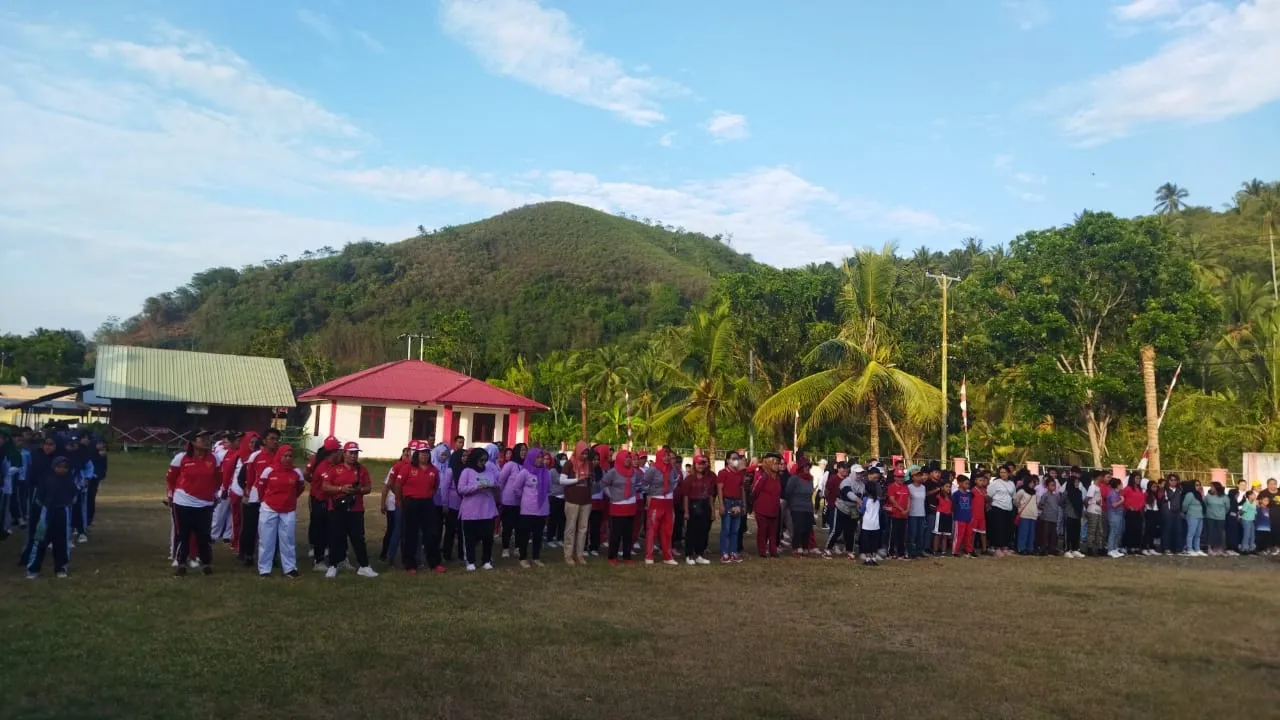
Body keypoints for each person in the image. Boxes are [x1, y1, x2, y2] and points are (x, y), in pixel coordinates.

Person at [320, 442, 378, 578]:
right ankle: (333, 565)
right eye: (351, 453)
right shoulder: (334, 469)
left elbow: (368, 487)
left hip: (355, 509)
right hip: (336, 508)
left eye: (356, 453)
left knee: (358, 538)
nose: (353, 456)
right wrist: (341, 489)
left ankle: (364, 566)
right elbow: (325, 486)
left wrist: (358, 490)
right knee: (335, 537)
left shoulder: (361, 470)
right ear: (344, 454)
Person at [168, 431, 220, 577]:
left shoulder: (214, 459)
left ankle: (206, 564)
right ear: (192, 441)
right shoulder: (181, 458)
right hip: (183, 502)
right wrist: (173, 495)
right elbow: (171, 478)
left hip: (205, 503)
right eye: (202, 438)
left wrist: (212, 494)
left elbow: (218, 479)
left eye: (207, 438)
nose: (206, 441)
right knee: (183, 535)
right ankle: (181, 564)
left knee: (203, 535)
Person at [254, 444, 305, 578]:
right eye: (285, 456)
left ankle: (290, 568)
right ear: (279, 456)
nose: (288, 459)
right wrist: (266, 501)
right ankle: (264, 569)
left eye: (290, 456)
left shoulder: (297, 472)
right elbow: (261, 488)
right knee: (266, 540)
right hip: (269, 508)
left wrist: (289, 500)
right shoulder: (269, 470)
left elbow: (300, 488)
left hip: (288, 510)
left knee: (288, 539)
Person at [24, 455, 77, 579]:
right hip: (47, 512)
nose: (61, 469)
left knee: (62, 541)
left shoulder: (69, 482)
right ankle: (33, 569)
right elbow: (39, 499)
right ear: (54, 467)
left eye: (65, 467)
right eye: (59, 467)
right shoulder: (47, 480)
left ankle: (61, 567)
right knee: (40, 540)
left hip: (63, 512)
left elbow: (73, 496)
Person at [236, 428, 281, 566]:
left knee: (273, 528)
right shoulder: (255, 456)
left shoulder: (281, 457)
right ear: (264, 440)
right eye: (272, 438)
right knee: (250, 526)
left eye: (276, 439)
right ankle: (247, 554)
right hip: (255, 497)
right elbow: (245, 476)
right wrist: (247, 490)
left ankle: (272, 556)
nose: (275, 441)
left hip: (273, 498)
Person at [396, 444, 443, 575]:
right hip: (411, 503)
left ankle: (435, 563)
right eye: (422, 453)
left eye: (427, 453)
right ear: (417, 454)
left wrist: (428, 495)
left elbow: (436, 485)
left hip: (427, 503)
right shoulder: (408, 468)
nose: (425, 455)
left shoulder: (433, 470)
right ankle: (410, 564)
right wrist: (400, 501)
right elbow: (398, 485)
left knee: (432, 534)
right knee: (410, 534)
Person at [457, 445, 500, 571]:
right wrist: (477, 487)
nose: (483, 463)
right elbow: (461, 489)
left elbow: (497, 484)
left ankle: (486, 560)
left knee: (488, 537)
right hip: (471, 511)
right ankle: (470, 561)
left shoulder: (489, 471)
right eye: (481, 460)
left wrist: (493, 487)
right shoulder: (467, 472)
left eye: (485, 460)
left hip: (487, 510)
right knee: (470, 538)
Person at [304, 436, 340, 571]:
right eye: (338, 450)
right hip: (319, 499)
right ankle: (318, 558)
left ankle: (332, 554)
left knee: (330, 528)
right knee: (319, 527)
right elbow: (307, 474)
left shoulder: (334, 464)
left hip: (329, 500)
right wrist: (315, 483)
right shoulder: (321, 465)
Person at [511, 448, 551, 568]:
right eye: (537, 457)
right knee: (525, 535)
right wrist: (525, 498)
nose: (540, 460)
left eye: (541, 457)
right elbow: (516, 488)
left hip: (542, 509)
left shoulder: (546, 472)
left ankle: (536, 557)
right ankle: (523, 557)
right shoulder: (525, 472)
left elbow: (549, 489)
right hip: (528, 509)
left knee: (538, 535)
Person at [600, 449, 641, 565]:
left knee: (628, 533)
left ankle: (627, 556)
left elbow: (639, 483)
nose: (628, 460)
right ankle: (612, 556)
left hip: (630, 506)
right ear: (620, 459)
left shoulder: (634, 473)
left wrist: (634, 492)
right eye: (626, 457)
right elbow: (603, 484)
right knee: (616, 533)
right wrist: (611, 495)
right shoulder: (613, 472)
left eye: (629, 457)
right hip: (617, 506)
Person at [643, 448, 680, 565]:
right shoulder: (652, 470)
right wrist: (652, 493)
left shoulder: (672, 469)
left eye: (668, 456)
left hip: (668, 502)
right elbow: (644, 484)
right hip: (656, 501)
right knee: (652, 529)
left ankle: (667, 556)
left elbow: (674, 481)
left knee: (667, 530)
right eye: (664, 456)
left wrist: (670, 490)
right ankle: (649, 555)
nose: (666, 458)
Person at [380, 445, 414, 566]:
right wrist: (383, 503)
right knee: (393, 529)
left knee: (407, 530)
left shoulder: (416, 467)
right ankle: (387, 554)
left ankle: (405, 556)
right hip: (395, 503)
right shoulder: (397, 467)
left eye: (409, 453)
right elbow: (388, 486)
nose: (408, 455)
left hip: (408, 503)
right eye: (406, 453)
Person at [560, 442, 593, 565]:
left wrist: (588, 479)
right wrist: (577, 479)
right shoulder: (569, 464)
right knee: (570, 528)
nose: (584, 456)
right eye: (582, 453)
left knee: (583, 529)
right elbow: (562, 480)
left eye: (586, 453)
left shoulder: (589, 465)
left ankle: (579, 554)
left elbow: (592, 480)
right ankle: (568, 555)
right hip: (572, 500)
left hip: (586, 501)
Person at [682, 453, 716, 565]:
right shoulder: (689, 479)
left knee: (703, 531)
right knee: (692, 531)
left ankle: (699, 554)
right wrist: (686, 511)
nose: (701, 466)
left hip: (705, 504)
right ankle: (689, 554)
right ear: (694, 465)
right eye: (698, 464)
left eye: (702, 464)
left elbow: (710, 495)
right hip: (693, 505)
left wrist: (712, 510)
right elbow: (686, 496)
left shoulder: (708, 479)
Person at [750, 453, 784, 559]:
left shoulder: (778, 477)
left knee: (773, 531)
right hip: (762, 508)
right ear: (769, 463)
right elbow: (754, 490)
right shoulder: (763, 475)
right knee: (763, 531)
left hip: (774, 508)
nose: (777, 466)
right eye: (775, 463)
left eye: (778, 464)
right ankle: (762, 550)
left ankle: (773, 550)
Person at [824, 463, 860, 559]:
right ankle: (828, 549)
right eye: (857, 473)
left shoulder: (861, 484)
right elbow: (847, 493)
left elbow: (862, 494)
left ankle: (850, 550)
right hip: (840, 508)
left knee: (851, 531)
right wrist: (858, 499)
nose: (859, 475)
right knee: (836, 530)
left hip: (853, 509)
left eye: (861, 473)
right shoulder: (845, 481)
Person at [716, 451, 747, 562]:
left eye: (737, 458)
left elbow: (742, 489)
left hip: (737, 502)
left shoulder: (739, 474)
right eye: (733, 458)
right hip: (727, 501)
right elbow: (720, 488)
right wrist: (721, 505)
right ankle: (724, 552)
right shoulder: (723, 473)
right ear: (728, 460)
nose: (736, 460)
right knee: (726, 529)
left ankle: (733, 551)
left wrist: (743, 504)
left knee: (735, 530)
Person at [783, 459, 816, 557]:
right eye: (805, 466)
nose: (807, 468)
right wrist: (790, 503)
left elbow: (810, 494)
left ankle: (805, 547)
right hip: (797, 507)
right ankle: (796, 547)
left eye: (808, 467)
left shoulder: (810, 479)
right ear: (801, 468)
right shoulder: (794, 478)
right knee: (799, 527)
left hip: (808, 507)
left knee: (807, 528)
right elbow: (788, 491)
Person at [987, 467, 1016, 557]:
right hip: (998, 508)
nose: (1003, 474)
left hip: (1008, 508)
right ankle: (997, 548)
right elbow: (989, 495)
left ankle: (1005, 547)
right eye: (1001, 472)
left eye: (1005, 472)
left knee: (1007, 528)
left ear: (1008, 473)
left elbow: (1013, 496)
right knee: (998, 528)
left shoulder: (1011, 483)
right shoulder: (996, 483)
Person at [885, 470, 910, 559]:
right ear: (895, 477)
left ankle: (901, 553)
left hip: (904, 515)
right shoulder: (891, 487)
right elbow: (892, 500)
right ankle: (890, 552)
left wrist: (907, 509)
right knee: (893, 534)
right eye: (899, 477)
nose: (901, 479)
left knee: (902, 535)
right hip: (895, 514)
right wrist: (901, 509)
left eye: (902, 477)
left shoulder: (905, 487)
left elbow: (908, 499)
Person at [545, 453, 567, 549]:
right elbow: (549, 484)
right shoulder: (552, 471)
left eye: (565, 459)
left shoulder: (566, 471)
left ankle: (560, 538)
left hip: (564, 498)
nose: (564, 461)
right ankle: (550, 538)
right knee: (552, 519)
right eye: (562, 459)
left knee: (562, 520)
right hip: (554, 497)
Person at [1036, 478, 1061, 556]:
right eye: (1052, 485)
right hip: (1046, 517)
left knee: (1053, 534)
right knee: (1045, 534)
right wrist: (1045, 510)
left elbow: (1059, 503)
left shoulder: (1056, 496)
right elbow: (1040, 505)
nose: (1053, 487)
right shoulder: (1045, 495)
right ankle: (1043, 548)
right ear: (1047, 486)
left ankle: (1052, 548)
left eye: (1054, 485)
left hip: (1054, 518)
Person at [1121, 474, 1145, 555]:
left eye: (1139, 478)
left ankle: (1136, 546)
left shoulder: (1139, 489)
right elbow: (1122, 498)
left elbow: (1142, 499)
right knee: (1130, 529)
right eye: (1137, 478)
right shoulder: (1128, 488)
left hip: (1138, 511)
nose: (1138, 479)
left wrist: (1139, 506)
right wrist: (1128, 506)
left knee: (1138, 529)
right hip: (1130, 511)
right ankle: (1128, 546)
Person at [951, 476, 976, 557]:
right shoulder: (956, 494)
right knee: (959, 535)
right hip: (959, 518)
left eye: (968, 484)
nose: (968, 485)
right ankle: (955, 551)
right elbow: (953, 506)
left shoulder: (969, 494)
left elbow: (971, 505)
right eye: (966, 483)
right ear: (960, 483)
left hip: (968, 517)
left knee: (969, 535)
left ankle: (969, 550)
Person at [858, 483, 882, 566]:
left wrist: (858, 507)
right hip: (876, 524)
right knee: (874, 542)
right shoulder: (878, 500)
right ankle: (874, 558)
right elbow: (879, 511)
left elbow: (862, 510)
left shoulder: (865, 499)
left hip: (866, 524)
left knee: (866, 542)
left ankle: (868, 558)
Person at [1159, 476, 1183, 555]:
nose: (1173, 481)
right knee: (1167, 530)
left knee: (1178, 530)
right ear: (1168, 481)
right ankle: (1166, 548)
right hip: (1168, 512)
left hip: (1177, 512)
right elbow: (1161, 500)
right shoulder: (1164, 490)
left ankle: (1177, 548)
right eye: (1171, 480)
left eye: (1175, 480)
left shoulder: (1179, 490)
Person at [1203, 481, 1229, 556]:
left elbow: (1227, 507)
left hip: (1221, 518)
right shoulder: (1208, 496)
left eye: (1212, 487)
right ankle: (1209, 548)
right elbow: (1205, 504)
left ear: (1217, 488)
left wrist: (1222, 513)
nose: (1211, 488)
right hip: (1210, 517)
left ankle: (1219, 549)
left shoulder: (1224, 497)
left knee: (1219, 533)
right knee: (1210, 532)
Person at [1182, 480, 1206, 556]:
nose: (1198, 486)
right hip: (1192, 515)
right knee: (1191, 533)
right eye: (1196, 485)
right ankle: (1189, 548)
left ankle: (1197, 548)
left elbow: (1204, 503)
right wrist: (1186, 513)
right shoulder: (1190, 494)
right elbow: (1185, 505)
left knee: (1198, 534)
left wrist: (1202, 494)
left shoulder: (1199, 494)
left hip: (1200, 516)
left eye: (1199, 485)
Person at [1014, 480, 1038, 555]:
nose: (1032, 484)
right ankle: (1021, 548)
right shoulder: (1022, 491)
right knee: (1023, 532)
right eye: (1030, 482)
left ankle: (1030, 548)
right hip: (1024, 514)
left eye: (1033, 483)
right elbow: (1015, 501)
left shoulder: (1034, 492)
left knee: (1031, 533)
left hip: (1033, 514)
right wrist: (1019, 507)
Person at [1240, 489, 1258, 555]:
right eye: (1253, 494)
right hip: (1246, 520)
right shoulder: (1246, 503)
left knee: (1252, 535)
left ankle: (1251, 548)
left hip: (1251, 520)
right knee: (1246, 534)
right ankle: (1244, 549)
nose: (1255, 495)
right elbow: (1241, 512)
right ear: (1249, 496)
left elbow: (1255, 512)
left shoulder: (1254, 503)